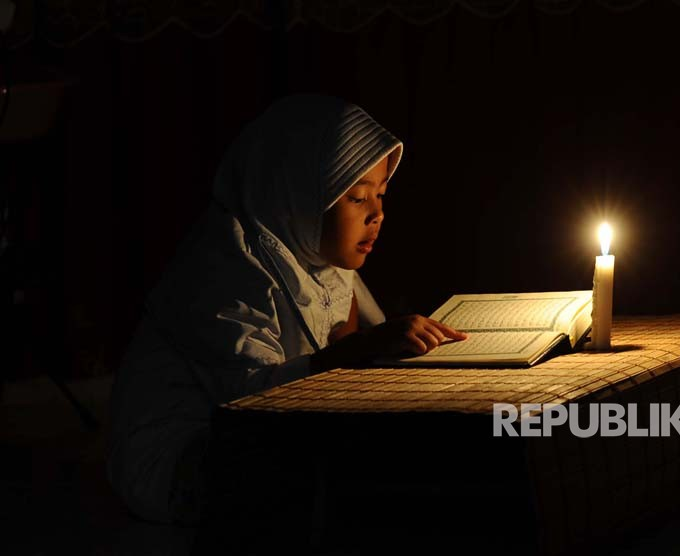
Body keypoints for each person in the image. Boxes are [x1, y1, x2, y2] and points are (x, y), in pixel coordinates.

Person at [106, 95, 467, 532]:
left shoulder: (321, 258)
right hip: (182, 458)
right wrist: (364, 349)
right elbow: (250, 403)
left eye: (381, 194)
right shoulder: (228, 268)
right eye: (357, 197)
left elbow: (352, 346)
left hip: (268, 435)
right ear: (297, 195)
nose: (377, 213)